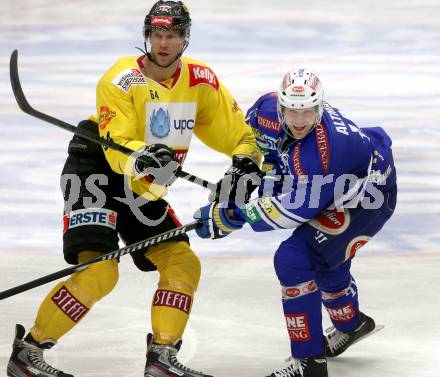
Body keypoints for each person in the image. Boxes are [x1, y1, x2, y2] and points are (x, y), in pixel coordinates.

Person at [6, 1, 261, 377]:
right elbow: (117, 143)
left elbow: (240, 136)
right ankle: (28, 352)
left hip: (143, 185)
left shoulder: (201, 81)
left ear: (184, 38)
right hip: (96, 170)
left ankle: (161, 356)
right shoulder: (120, 78)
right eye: (157, 34)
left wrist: (245, 164)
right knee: (101, 271)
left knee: (181, 261)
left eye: (172, 34)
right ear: (147, 35)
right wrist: (143, 156)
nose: (163, 43)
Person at [194, 68, 397, 377]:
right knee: (326, 257)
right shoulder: (265, 111)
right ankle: (351, 324)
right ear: (280, 106)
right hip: (336, 186)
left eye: (308, 112)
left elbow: (295, 210)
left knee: (295, 258)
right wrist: (244, 181)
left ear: (320, 108)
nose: (299, 120)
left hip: (367, 198)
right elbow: (265, 150)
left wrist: (235, 215)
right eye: (292, 111)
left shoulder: (324, 152)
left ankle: (309, 362)